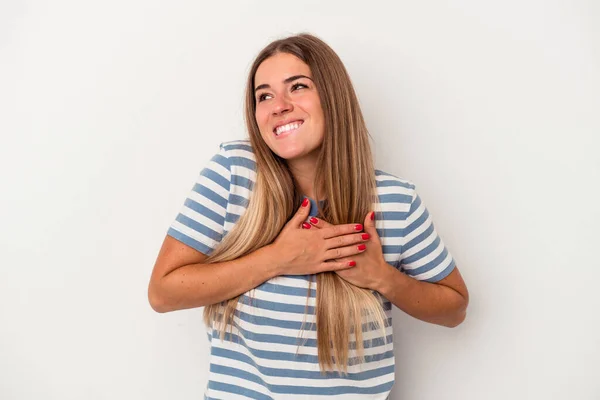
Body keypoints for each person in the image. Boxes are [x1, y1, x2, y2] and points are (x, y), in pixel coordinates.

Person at [148, 33, 469, 400]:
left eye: (297, 87)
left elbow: (454, 308)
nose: (278, 106)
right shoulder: (234, 174)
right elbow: (163, 293)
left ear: (333, 96)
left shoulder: (395, 201)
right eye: (264, 95)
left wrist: (383, 278)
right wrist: (278, 258)